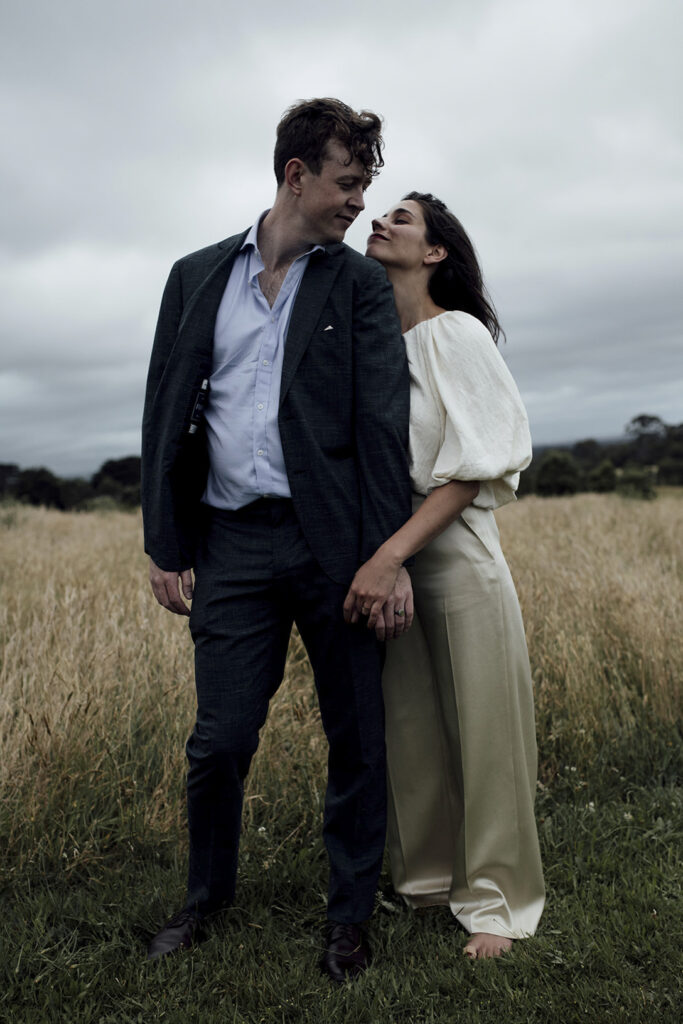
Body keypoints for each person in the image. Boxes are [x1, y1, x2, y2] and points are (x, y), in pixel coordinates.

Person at [141, 98, 413, 980]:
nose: (358, 203)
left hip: (335, 547)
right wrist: (163, 541)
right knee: (219, 738)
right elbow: (163, 410)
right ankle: (204, 899)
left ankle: (348, 919)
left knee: (356, 739)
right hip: (229, 545)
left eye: (365, 185)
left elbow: (381, 426)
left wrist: (386, 559)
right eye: (347, 182)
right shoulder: (194, 276)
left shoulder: (358, 284)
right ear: (296, 176)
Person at [343, 192, 545, 958]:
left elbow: (476, 465)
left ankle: (498, 899)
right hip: (386, 555)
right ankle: (426, 880)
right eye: (380, 213)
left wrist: (391, 555)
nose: (379, 220)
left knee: (484, 727)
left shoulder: (455, 332)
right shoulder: (374, 346)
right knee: (409, 724)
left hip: (452, 551)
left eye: (401, 218)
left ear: (434, 253)